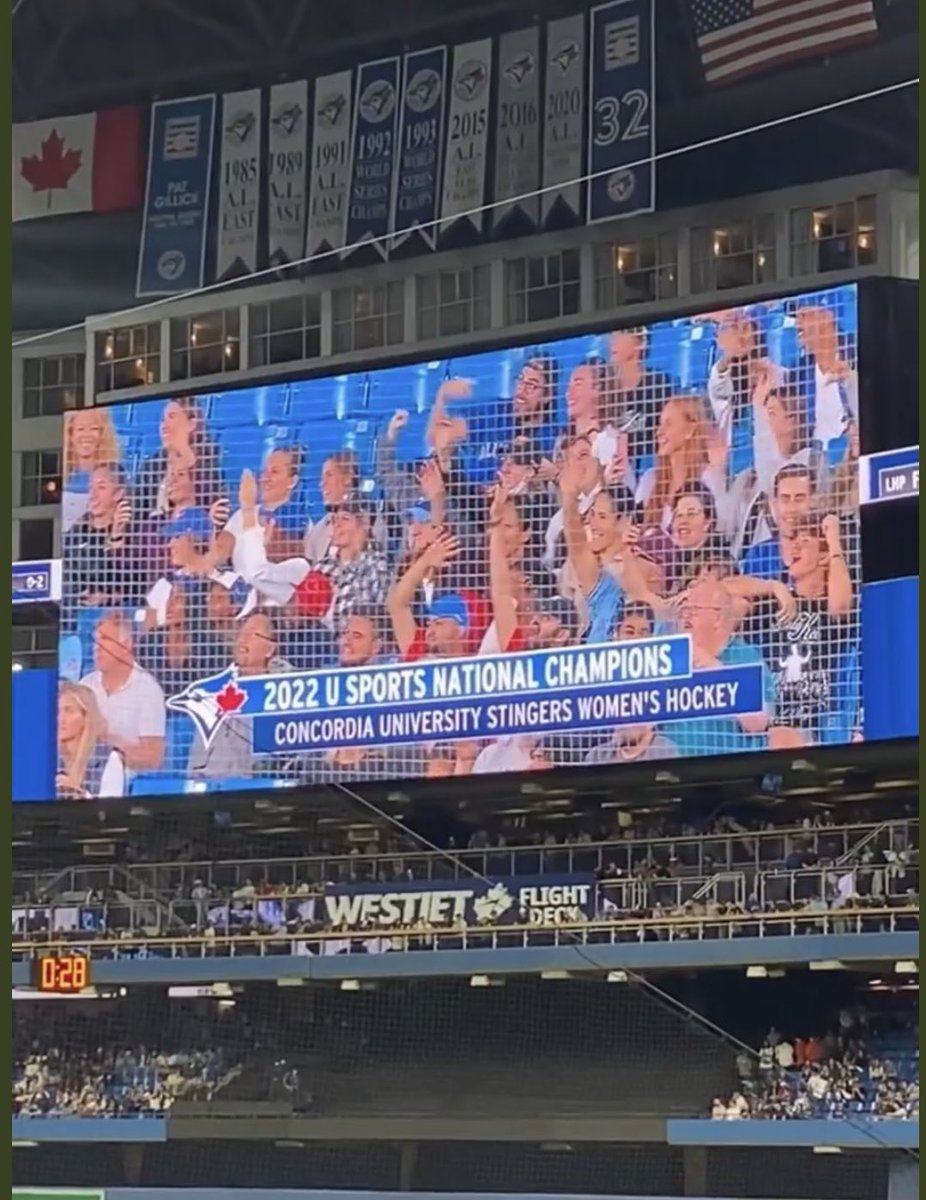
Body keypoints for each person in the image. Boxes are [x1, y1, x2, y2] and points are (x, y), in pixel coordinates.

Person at [766, 514, 856, 746]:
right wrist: (773, 586)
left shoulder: (830, 605)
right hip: (772, 722)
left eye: (805, 541)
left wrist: (834, 542)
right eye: (794, 539)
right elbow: (725, 591)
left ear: (824, 555)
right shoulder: (775, 603)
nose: (795, 545)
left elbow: (841, 606)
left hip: (815, 725)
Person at [663, 575, 774, 758]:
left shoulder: (746, 657)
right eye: (684, 609)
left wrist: (715, 670)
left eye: (695, 608)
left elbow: (758, 723)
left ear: (718, 617)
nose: (687, 615)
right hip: (673, 773)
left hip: (729, 771)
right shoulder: (670, 656)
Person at [187, 610, 285, 777]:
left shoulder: (279, 696)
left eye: (252, 634)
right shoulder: (215, 694)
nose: (242, 639)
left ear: (270, 649)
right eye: (241, 633)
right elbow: (196, 763)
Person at [79, 612, 166, 776]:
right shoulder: (85, 686)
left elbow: (153, 759)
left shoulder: (148, 690)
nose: (97, 647)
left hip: (126, 782)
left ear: (126, 645)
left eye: (105, 640)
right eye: (96, 641)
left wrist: (106, 737)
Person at [636, 396, 730, 535]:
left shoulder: (708, 477)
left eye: (668, 424)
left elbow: (721, 527)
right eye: (660, 424)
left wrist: (719, 471)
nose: (659, 432)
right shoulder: (649, 480)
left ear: (690, 430)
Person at [61, 463, 137, 621]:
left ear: (118, 493)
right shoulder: (75, 535)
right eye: (91, 488)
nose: (93, 495)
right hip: (76, 620)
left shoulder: (135, 533)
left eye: (101, 488)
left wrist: (116, 536)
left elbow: (136, 584)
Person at [134, 397, 224, 519]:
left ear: (192, 424)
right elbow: (138, 516)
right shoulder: (151, 467)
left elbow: (213, 506)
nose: (163, 426)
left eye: (171, 417)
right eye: (162, 420)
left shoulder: (209, 464)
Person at [316, 500, 391, 626]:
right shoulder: (322, 567)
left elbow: (377, 619)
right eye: (335, 520)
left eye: (345, 519)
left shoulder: (377, 566)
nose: (337, 525)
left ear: (365, 524)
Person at [740, 463, 818, 581]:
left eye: (799, 499)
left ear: (813, 501)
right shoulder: (759, 554)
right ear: (775, 504)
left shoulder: (825, 551)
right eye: (785, 499)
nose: (792, 508)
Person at [56, 681, 125, 799]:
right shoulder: (48, 759)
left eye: (69, 711)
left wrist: (79, 793)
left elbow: (111, 811)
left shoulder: (108, 759)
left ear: (86, 718)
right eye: (57, 711)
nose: (60, 719)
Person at [61, 408, 121, 533]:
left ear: (103, 434)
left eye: (94, 429)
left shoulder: (113, 474)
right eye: (80, 429)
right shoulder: (63, 477)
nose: (86, 435)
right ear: (71, 435)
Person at [304, 450, 361, 563]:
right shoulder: (319, 529)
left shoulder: (365, 520)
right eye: (322, 478)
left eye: (329, 475)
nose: (322, 483)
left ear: (347, 478)